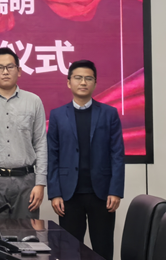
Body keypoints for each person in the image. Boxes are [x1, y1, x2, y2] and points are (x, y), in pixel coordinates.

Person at [47, 60, 124, 260]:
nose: (83, 82)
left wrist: (115, 190)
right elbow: (52, 156)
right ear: (69, 82)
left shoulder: (109, 113)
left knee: (103, 249)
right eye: (78, 78)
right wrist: (55, 193)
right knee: (69, 252)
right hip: (68, 195)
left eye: (88, 78)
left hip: (102, 195)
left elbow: (117, 154)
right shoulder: (57, 115)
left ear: (95, 83)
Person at [0, 47, 47, 219]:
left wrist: (40, 183)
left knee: (27, 234)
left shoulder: (34, 101)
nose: (5, 72)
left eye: (10, 67)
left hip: (26, 182)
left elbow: (40, 144)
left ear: (19, 71)